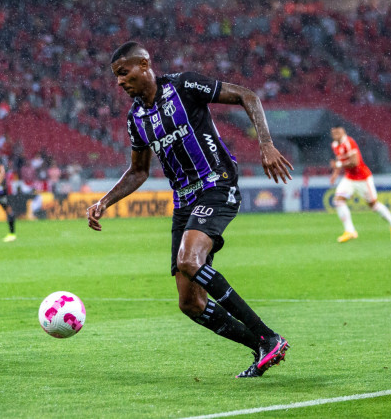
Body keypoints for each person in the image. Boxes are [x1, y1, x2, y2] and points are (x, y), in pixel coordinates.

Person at [87, 42, 294, 378]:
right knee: (190, 303)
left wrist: (266, 144)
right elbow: (139, 170)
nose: (120, 82)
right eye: (116, 77)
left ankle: (268, 336)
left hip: (217, 184)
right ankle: (259, 345)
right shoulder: (135, 119)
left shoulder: (184, 86)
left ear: (144, 64)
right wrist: (104, 201)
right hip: (184, 201)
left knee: (189, 260)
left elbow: (248, 96)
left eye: (124, 73)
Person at [329, 126, 391, 243]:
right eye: (334, 132)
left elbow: (355, 162)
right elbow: (340, 161)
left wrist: (338, 166)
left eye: (338, 131)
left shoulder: (349, 143)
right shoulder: (334, 145)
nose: (336, 134)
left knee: (373, 205)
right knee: (338, 200)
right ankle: (350, 231)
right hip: (350, 178)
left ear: (344, 132)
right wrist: (335, 174)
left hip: (362, 178)